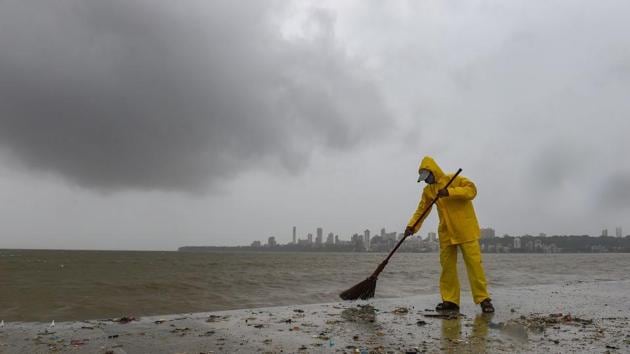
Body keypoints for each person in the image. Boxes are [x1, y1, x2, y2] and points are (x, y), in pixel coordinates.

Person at [405, 156, 494, 313]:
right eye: (424, 179)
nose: (426, 181)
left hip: (465, 229)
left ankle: (484, 300)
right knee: (447, 268)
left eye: (427, 177)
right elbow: (421, 210)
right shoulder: (428, 191)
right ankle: (450, 301)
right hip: (446, 232)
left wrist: (449, 192)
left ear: (433, 171)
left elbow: (472, 191)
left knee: (474, 266)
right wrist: (412, 226)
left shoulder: (454, 179)